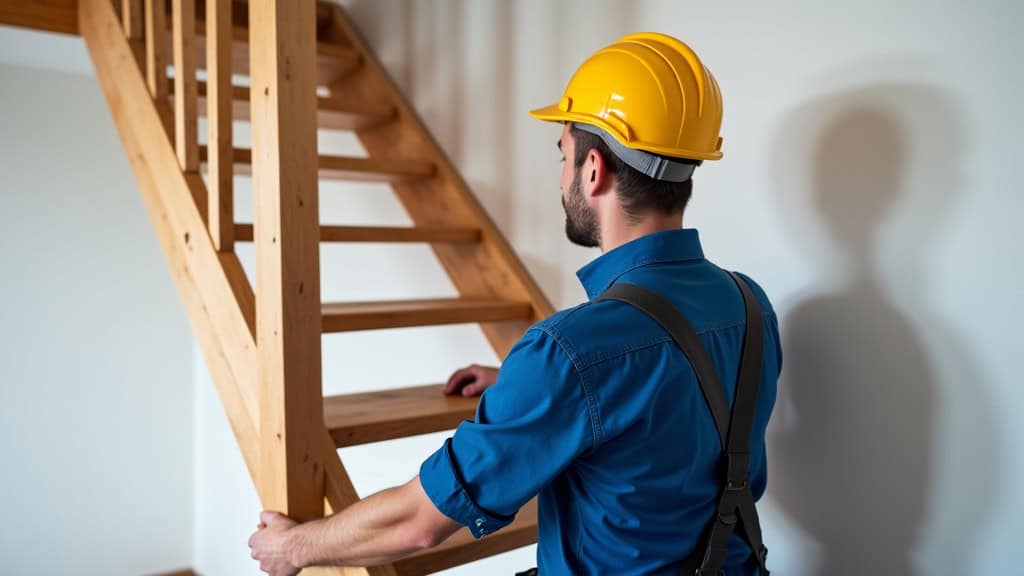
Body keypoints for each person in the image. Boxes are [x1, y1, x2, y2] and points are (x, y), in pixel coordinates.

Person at [249, 32, 780, 576]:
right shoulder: (750, 305)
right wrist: (521, 384)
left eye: (563, 156)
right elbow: (662, 396)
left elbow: (419, 523)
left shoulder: (570, 352)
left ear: (593, 169)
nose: (561, 176)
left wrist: (292, 548)